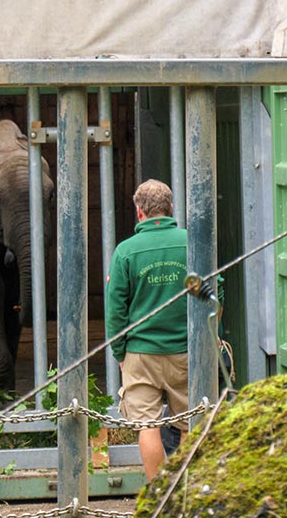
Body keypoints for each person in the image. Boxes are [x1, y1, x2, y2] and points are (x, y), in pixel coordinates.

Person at [105, 179, 189, 481]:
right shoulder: (190, 242)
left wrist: (120, 352)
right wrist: (209, 335)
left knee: (147, 425)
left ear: (139, 212)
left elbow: (116, 310)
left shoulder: (126, 252)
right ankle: (186, 489)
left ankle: (158, 495)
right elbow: (215, 290)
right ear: (170, 208)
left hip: (140, 353)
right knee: (188, 423)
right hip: (186, 350)